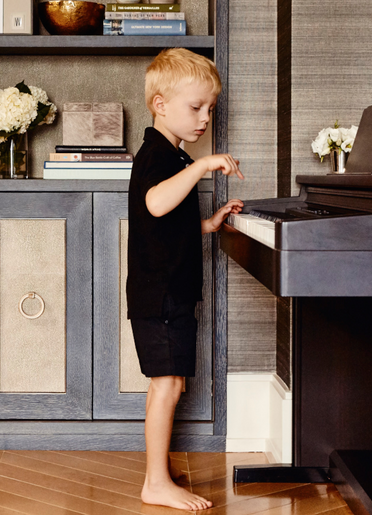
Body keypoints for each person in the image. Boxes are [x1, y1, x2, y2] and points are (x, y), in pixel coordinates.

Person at [127, 48, 244, 511]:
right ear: (160, 104)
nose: (204, 118)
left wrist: (208, 224)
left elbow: (162, 221)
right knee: (167, 384)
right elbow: (155, 203)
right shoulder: (156, 154)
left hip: (169, 292)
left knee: (170, 382)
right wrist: (201, 166)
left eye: (209, 109)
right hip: (158, 295)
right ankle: (155, 482)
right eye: (195, 107)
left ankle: (160, 469)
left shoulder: (172, 155)